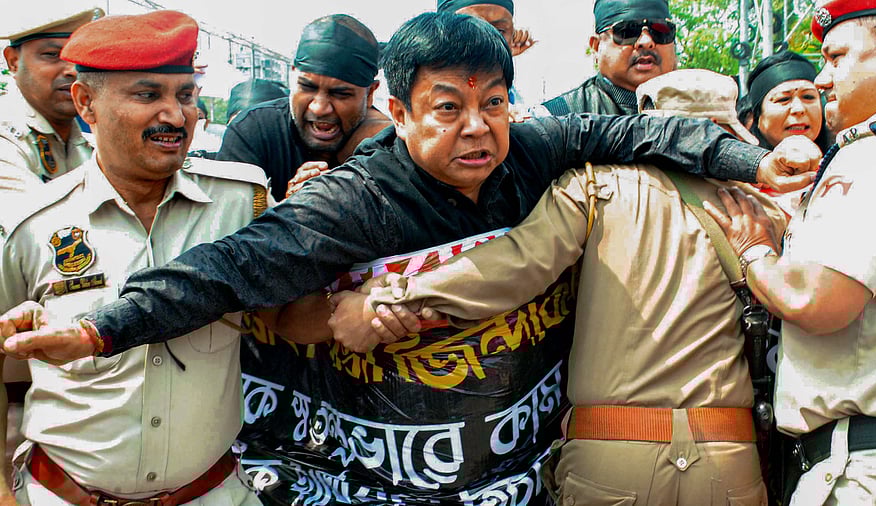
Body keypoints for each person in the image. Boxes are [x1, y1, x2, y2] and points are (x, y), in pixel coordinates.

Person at [2, 11, 816, 503]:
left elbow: (636, 130)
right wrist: (102, 330)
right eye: (448, 108)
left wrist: (753, 163)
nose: (477, 130)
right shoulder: (357, 198)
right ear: (397, 110)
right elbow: (231, 270)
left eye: (493, 104)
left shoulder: (531, 150)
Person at [354, 68, 785, 505]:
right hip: (729, 454)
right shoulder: (765, 208)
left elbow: (514, 266)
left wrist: (398, 295)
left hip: (611, 455)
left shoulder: (594, 186)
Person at [0, 10, 269, 505]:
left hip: (212, 494)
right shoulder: (29, 224)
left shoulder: (243, 202)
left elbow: (290, 318)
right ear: (87, 103)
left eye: (185, 95)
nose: (175, 115)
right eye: (148, 96)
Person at [704, 1, 876, 504]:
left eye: (836, 58)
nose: (825, 78)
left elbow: (816, 299)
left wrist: (755, 253)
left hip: (867, 472)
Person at [216, 14, 392, 201]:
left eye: (340, 94)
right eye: (307, 87)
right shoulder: (254, 130)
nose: (319, 108)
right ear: (293, 77)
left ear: (370, 94)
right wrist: (291, 210)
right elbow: (228, 224)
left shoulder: (385, 144)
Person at [0, 4, 102, 195]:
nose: (73, 70)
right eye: (52, 55)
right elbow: (33, 220)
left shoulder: (91, 143)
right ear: (13, 61)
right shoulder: (6, 140)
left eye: (81, 57)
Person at [539, 0, 677, 116]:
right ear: (596, 46)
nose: (646, 41)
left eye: (660, 30)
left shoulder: (695, 108)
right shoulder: (557, 117)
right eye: (627, 31)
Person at [746, 50, 829, 151]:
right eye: (783, 99)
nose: (798, 109)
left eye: (808, 97)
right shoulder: (734, 166)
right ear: (756, 117)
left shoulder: (844, 161)